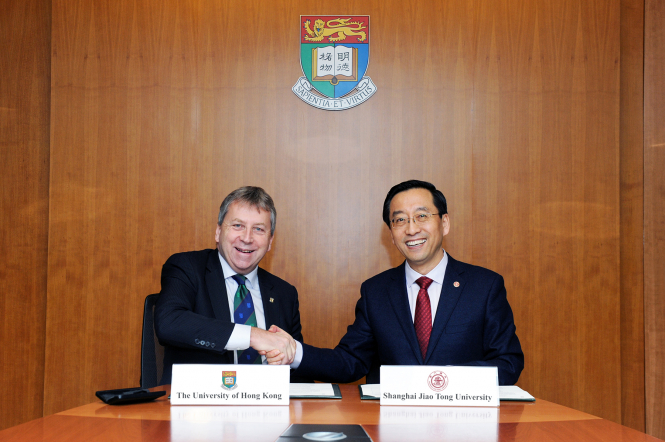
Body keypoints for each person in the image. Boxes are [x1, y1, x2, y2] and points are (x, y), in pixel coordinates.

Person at [266, 180, 524, 385]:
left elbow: (508, 362)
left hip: (465, 426)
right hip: (392, 428)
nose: (411, 229)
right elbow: (350, 361)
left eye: (422, 216)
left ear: (444, 223)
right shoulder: (375, 292)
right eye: (400, 220)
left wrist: (442, 381)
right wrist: (294, 352)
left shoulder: (484, 286)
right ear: (391, 233)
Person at [154, 186, 300, 385]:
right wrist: (253, 336)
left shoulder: (285, 293)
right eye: (238, 225)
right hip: (198, 408)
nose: (247, 238)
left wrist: (284, 359)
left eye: (258, 229)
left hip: (269, 408)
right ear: (218, 231)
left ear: (270, 241)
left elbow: (297, 374)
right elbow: (169, 322)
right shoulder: (187, 268)